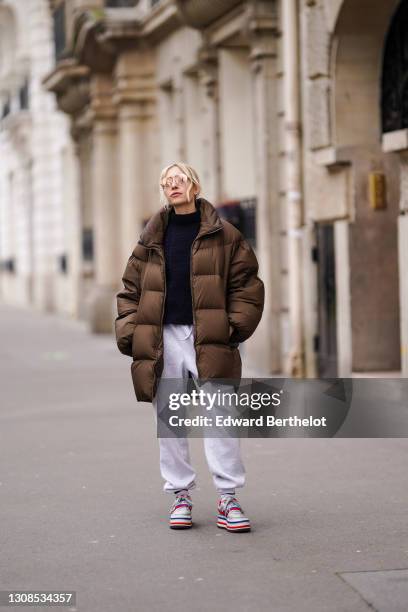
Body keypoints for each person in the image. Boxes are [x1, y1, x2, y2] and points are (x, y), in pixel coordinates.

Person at [115, 162, 264, 532]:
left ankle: (228, 498)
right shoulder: (150, 239)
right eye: (166, 182)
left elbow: (246, 284)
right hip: (162, 339)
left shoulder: (224, 234)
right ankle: (180, 495)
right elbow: (129, 291)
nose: (172, 186)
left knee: (221, 418)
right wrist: (131, 333)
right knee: (170, 420)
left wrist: (233, 328)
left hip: (209, 336)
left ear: (194, 185)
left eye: (178, 180)